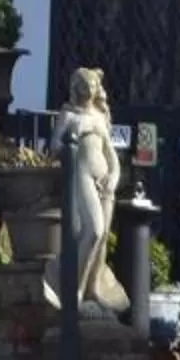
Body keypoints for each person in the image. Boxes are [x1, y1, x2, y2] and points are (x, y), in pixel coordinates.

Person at [51, 66, 131, 319]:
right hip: (82, 175)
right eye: (85, 86)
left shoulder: (99, 116)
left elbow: (111, 154)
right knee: (93, 230)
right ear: (76, 88)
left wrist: (114, 177)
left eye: (93, 86)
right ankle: (73, 289)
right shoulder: (68, 114)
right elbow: (55, 146)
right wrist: (78, 132)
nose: (90, 90)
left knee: (103, 237)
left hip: (105, 182)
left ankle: (92, 289)